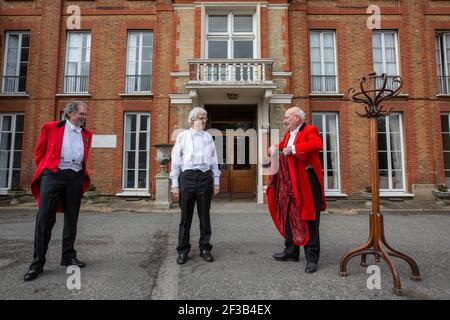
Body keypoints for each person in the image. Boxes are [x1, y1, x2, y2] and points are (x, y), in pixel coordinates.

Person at [23, 101, 93, 281]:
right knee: (45, 218)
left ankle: (68, 256)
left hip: (75, 176)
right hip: (54, 175)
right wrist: (48, 170)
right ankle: (37, 263)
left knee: (72, 217)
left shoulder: (87, 134)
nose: (84, 117)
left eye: (85, 115)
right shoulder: (50, 127)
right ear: (69, 114)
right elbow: (39, 153)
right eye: (81, 114)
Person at [267, 106, 326, 273]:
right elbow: (282, 145)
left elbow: (317, 144)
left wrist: (292, 149)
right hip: (290, 182)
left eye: (287, 117)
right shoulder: (288, 135)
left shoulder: (310, 130)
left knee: (310, 219)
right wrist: (274, 147)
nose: (284, 120)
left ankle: (312, 258)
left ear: (298, 118)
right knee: (288, 215)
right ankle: (291, 251)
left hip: (308, 181)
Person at [170, 107, 221, 265]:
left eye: (205, 118)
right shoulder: (182, 137)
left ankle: (205, 248)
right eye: (201, 118)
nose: (204, 121)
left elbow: (214, 161)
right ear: (192, 120)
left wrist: (216, 181)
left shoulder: (208, 138)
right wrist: (175, 184)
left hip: (205, 178)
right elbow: (176, 161)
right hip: (187, 178)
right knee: (186, 217)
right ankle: (183, 250)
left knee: (204, 216)